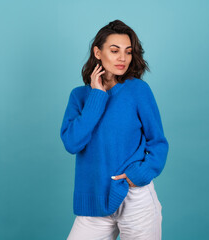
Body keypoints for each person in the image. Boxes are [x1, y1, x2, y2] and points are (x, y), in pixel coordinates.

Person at [60, 19, 169, 240]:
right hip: (94, 201)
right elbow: (72, 143)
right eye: (114, 50)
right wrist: (97, 96)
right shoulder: (79, 97)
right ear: (98, 52)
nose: (122, 58)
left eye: (128, 52)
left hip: (135, 197)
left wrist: (137, 174)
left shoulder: (138, 90)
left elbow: (158, 142)